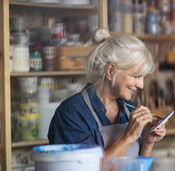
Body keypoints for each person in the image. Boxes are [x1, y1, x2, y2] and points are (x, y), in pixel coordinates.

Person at [48, 29, 166, 161]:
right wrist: (127, 137)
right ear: (110, 70)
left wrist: (148, 142)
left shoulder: (129, 108)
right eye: (136, 76)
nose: (141, 85)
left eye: (143, 77)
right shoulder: (71, 114)